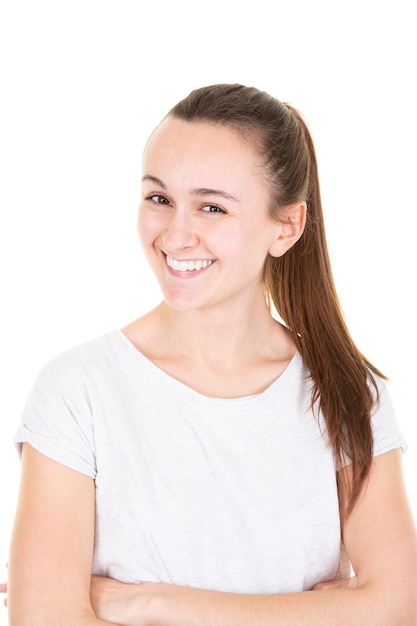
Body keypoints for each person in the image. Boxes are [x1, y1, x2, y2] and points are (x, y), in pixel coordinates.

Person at [4, 83, 417, 625]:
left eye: (212, 207)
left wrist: (155, 604)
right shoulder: (78, 391)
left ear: (286, 226)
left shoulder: (345, 392)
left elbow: (398, 607)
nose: (176, 235)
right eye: (159, 198)